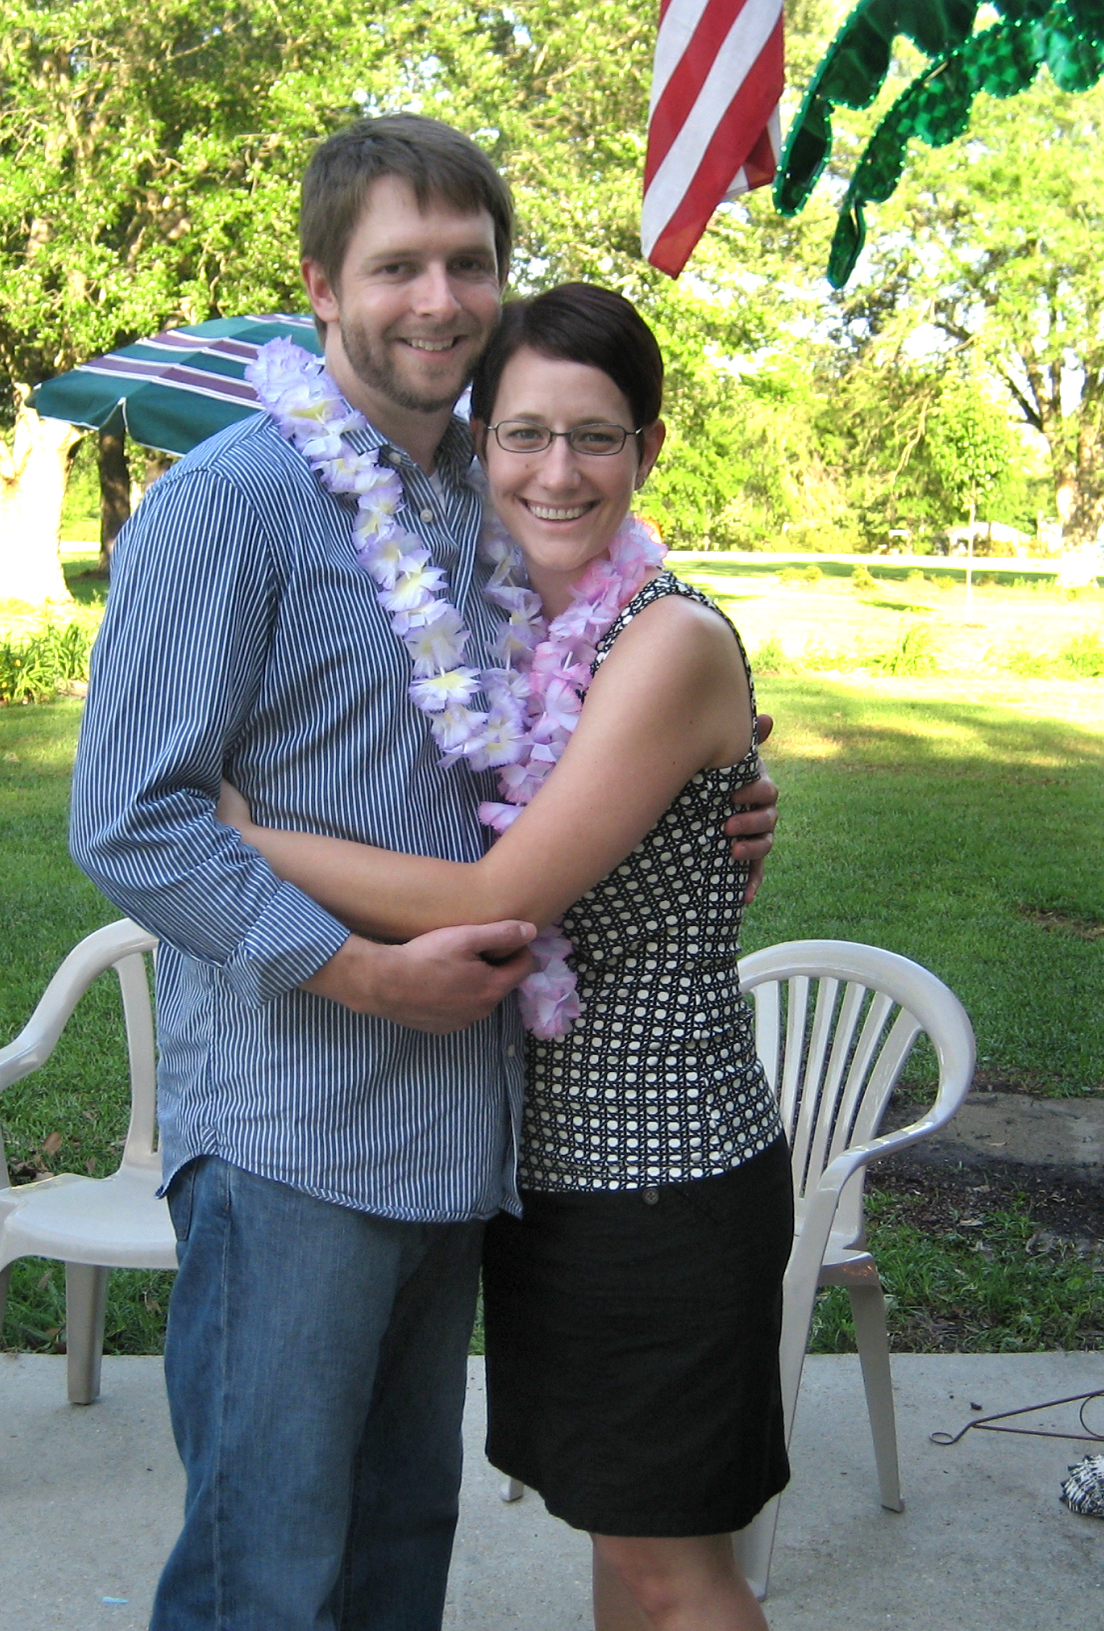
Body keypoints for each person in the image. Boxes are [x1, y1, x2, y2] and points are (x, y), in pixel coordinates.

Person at [70, 115, 778, 1631]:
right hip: (294, 1132)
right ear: (322, 286)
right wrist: (357, 972)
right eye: (398, 265)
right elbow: (129, 818)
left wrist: (717, 788)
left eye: (469, 262)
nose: (439, 299)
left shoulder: (495, 479)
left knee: (399, 1555)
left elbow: (595, 704)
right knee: (267, 1574)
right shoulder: (226, 505)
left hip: (469, 1138)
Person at [219, 283, 791, 1631]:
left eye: (595, 437)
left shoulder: (665, 640)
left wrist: (246, 835)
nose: (556, 470)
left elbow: (497, 893)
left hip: (662, 1176)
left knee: (674, 1575)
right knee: (624, 1556)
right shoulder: (518, 631)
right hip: (557, 1178)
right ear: (481, 444)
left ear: (649, 451)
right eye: (524, 433)